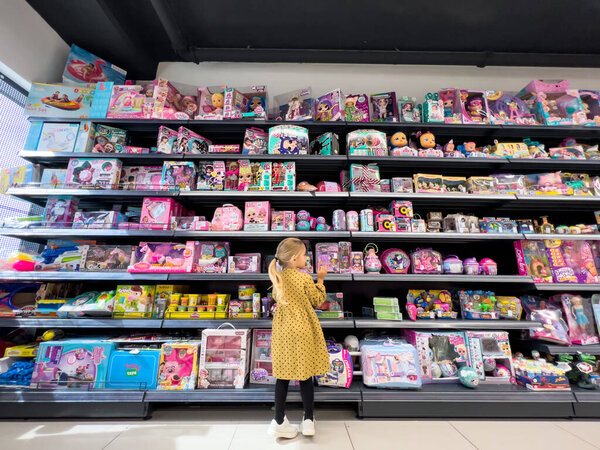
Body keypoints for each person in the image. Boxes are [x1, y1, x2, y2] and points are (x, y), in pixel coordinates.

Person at [267, 238, 330, 439]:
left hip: (283, 330)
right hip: (303, 328)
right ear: (294, 259)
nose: (306, 258)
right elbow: (317, 300)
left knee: (282, 376)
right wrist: (320, 279)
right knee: (305, 376)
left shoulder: (277, 277)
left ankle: (278, 421)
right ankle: (309, 420)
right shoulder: (303, 278)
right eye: (304, 255)